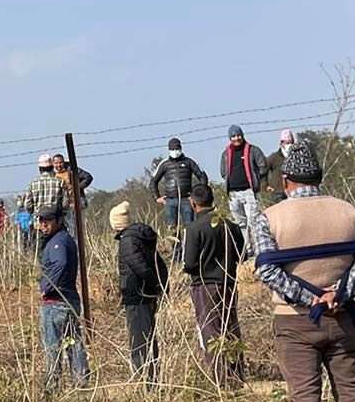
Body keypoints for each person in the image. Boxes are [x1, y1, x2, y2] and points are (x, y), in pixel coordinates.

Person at [251, 142, 355, 402]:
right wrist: (339, 293)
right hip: (343, 317)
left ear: (287, 180)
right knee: (352, 392)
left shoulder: (269, 219)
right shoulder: (351, 212)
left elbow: (265, 270)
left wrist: (310, 298)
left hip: (295, 321)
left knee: (304, 395)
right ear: (319, 178)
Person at [179, 181, 244, 386]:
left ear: (193, 203)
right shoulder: (230, 225)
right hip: (228, 283)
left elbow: (189, 264)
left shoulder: (193, 229)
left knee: (210, 332)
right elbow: (242, 254)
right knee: (230, 328)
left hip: (204, 286)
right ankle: (237, 376)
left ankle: (221, 380)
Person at [110, 200, 166, 383]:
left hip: (137, 296)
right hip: (146, 295)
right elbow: (159, 264)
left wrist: (154, 285)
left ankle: (145, 380)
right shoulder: (142, 237)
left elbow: (140, 267)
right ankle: (152, 377)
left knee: (139, 340)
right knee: (148, 337)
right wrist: (160, 287)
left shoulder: (128, 241)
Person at [35, 205, 89, 389]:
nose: (44, 225)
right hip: (68, 299)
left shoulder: (58, 242)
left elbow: (61, 262)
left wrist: (47, 287)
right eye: (41, 221)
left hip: (57, 303)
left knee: (53, 346)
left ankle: (53, 386)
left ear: (58, 220)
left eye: (48, 221)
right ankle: (81, 382)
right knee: (74, 343)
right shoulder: (63, 239)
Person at [220, 126, 267, 248]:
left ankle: (258, 245)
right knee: (240, 222)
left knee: (253, 220)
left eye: (238, 135)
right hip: (233, 193)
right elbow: (223, 172)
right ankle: (247, 247)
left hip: (249, 191)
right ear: (230, 138)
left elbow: (263, 166)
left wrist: (257, 178)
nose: (236, 138)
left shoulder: (253, 150)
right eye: (233, 136)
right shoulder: (226, 154)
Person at [149, 139, 208, 229]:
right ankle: (175, 244)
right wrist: (157, 197)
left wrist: (198, 195)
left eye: (176, 148)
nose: (175, 151)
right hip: (170, 200)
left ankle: (188, 243)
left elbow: (202, 176)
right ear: (169, 150)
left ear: (180, 148)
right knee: (172, 228)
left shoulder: (189, 162)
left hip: (187, 199)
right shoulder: (164, 164)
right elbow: (153, 181)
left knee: (189, 226)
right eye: (172, 149)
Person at [261, 128, 296, 205]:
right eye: (286, 143)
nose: (289, 145)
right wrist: (265, 186)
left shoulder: (297, 156)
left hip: (294, 192)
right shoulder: (274, 157)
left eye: (290, 143)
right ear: (281, 143)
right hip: (279, 192)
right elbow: (263, 171)